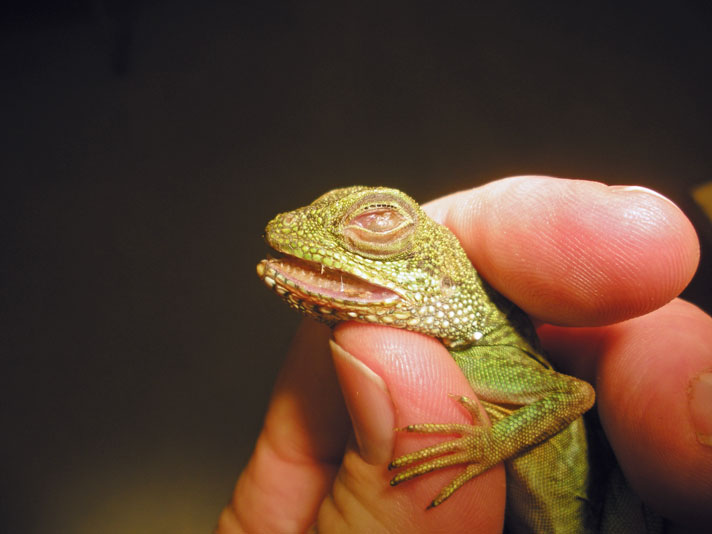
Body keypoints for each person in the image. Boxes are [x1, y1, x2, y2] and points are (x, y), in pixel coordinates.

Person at [218, 176, 711, 533]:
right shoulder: (444, 359)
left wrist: (486, 448)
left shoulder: (484, 356)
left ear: (443, 275)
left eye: (376, 222)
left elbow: (571, 394)